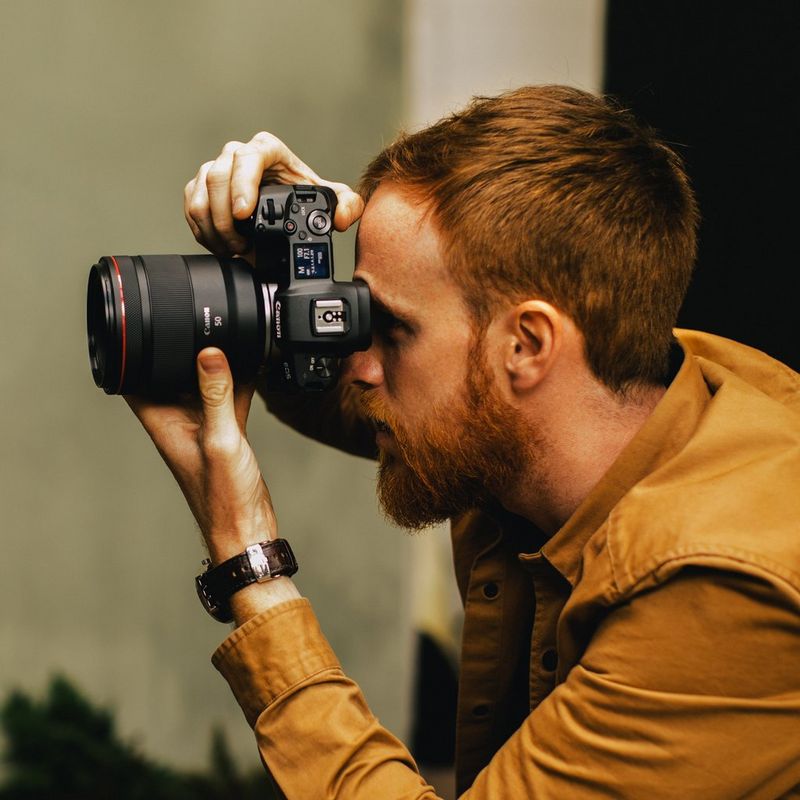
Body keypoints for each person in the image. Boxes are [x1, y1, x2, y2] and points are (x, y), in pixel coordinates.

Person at [127, 86, 800, 798]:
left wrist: (251, 567)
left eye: (391, 329)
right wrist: (284, 265)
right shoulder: (569, 408)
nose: (357, 366)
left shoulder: (724, 585)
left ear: (528, 344)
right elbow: (355, 390)